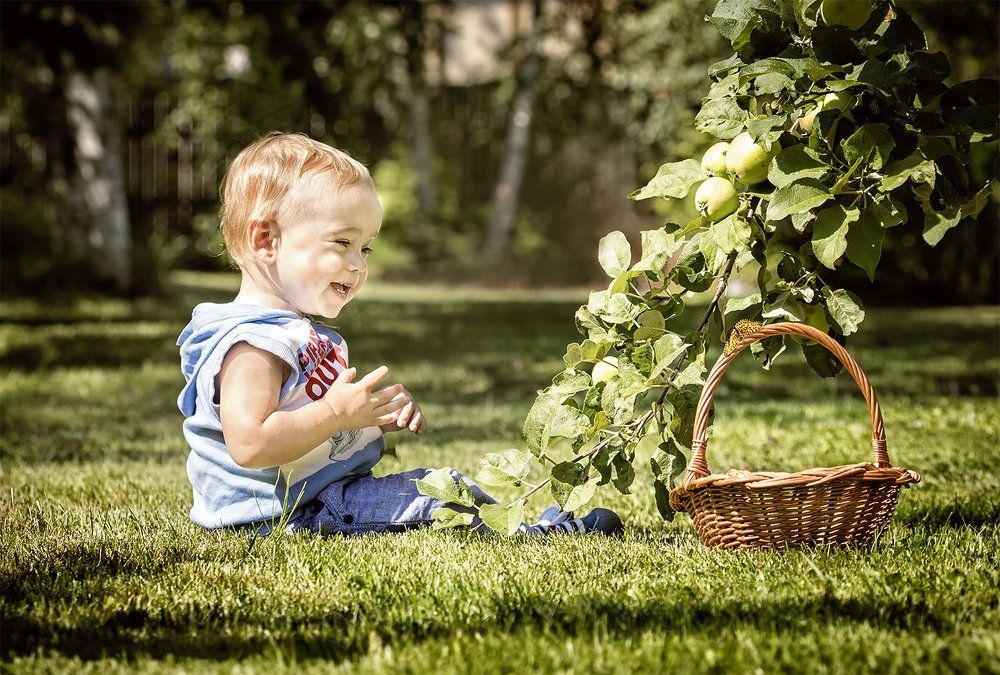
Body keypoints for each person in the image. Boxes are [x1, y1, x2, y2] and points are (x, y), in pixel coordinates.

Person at [176, 132, 623, 537]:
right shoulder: (252, 345)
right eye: (342, 243)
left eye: (365, 247)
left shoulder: (290, 330)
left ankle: (524, 525)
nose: (359, 264)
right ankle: (534, 534)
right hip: (282, 517)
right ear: (266, 240)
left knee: (436, 489)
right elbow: (250, 444)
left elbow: (311, 413)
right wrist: (335, 413)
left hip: (319, 500)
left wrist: (369, 413)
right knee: (438, 497)